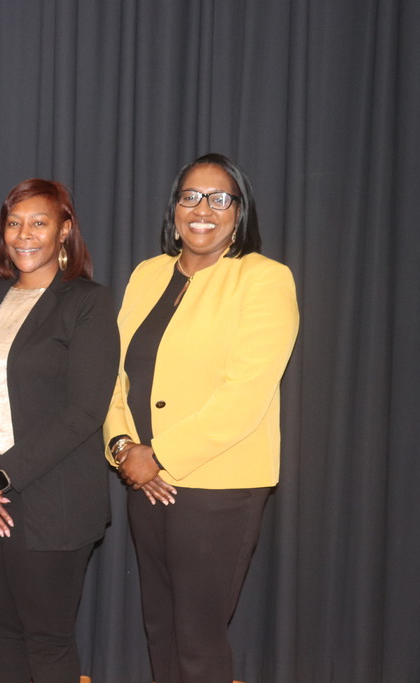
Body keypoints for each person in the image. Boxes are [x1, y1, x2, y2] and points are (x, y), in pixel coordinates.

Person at [104, 153, 299, 683]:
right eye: (190, 196)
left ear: (240, 211)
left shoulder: (263, 279)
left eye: (220, 198)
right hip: (144, 482)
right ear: (174, 208)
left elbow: (245, 395)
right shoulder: (147, 275)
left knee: (197, 637)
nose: (203, 209)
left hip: (219, 488)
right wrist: (123, 450)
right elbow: (113, 375)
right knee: (160, 628)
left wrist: (159, 456)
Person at [0, 178, 117, 682]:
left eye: (39, 222)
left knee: (48, 639)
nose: (24, 234)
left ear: (65, 231)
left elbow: (85, 412)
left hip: (51, 498)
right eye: (14, 223)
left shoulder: (88, 303)